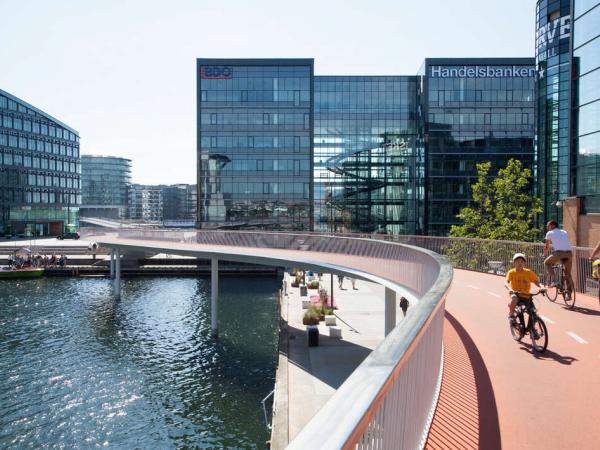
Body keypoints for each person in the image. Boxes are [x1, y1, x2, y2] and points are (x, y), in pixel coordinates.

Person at [505, 253, 544, 321]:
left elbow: (536, 282)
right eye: (517, 261)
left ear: (524, 263)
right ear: (514, 263)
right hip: (516, 294)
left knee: (533, 313)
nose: (520, 263)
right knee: (514, 298)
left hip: (526, 295)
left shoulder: (528, 272)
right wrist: (510, 289)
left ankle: (532, 329)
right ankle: (511, 314)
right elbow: (506, 283)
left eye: (522, 261)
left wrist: (542, 287)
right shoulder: (511, 272)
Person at [543, 220, 573, 293]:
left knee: (547, 263)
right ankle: (569, 293)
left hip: (559, 253)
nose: (547, 227)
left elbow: (547, 247)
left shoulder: (549, 233)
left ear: (553, 226)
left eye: (548, 225)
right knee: (568, 274)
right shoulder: (564, 231)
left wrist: (544, 254)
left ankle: (555, 280)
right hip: (569, 254)